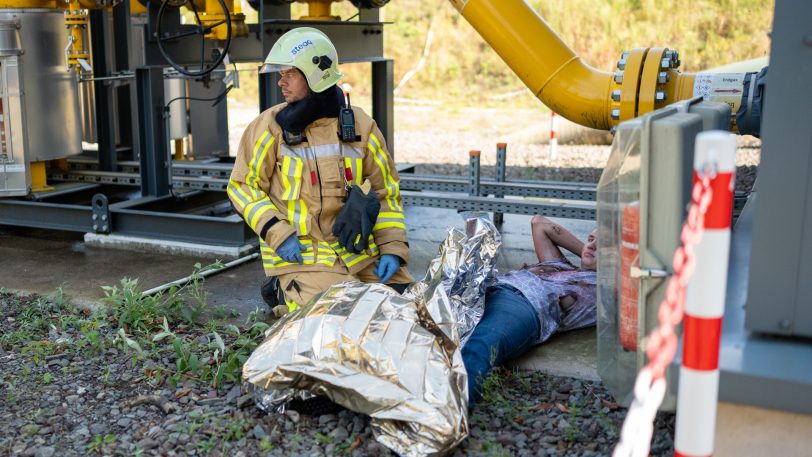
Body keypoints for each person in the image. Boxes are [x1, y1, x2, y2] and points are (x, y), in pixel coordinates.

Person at [228, 27, 412, 317]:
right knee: (339, 317)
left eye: (290, 73)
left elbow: (386, 192)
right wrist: (278, 233)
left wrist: (391, 247)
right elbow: (242, 187)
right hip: (303, 257)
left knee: (407, 307)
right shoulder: (269, 128)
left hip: (359, 253)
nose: (281, 82)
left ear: (316, 74)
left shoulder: (362, 127)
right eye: (281, 73)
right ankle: (283, 287)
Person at [461, 215, 598, 408]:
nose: (592, 245)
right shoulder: (559, 265)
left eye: (605, 245)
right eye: (591, 239)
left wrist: (603, 265)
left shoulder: (605, 288)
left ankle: (449, 414)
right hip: (490, 288)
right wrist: (589, 250)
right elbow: (539, 223)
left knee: (480, 345)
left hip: (523, 305)